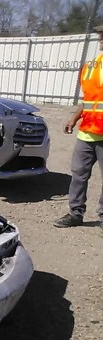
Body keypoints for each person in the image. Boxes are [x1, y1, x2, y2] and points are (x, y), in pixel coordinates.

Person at [54, 25, 103, 232]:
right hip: (87, 132)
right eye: (101, 36)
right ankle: (76, 213)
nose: (101, 39)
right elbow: (88, 99)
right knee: (78, 175)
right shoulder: (92, 65)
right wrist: (74, 119)